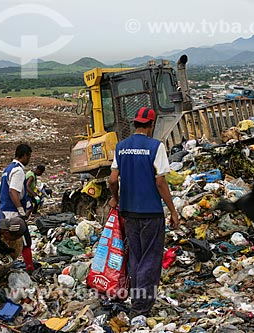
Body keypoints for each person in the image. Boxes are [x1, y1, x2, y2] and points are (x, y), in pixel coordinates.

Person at [109, 107, 180, 318]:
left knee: (136, 257)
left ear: (135, 124)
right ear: (150, 125)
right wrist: (173, 210)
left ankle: (135, 296)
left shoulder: (121, 147)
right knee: (150, 258)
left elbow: (113, 179)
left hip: (129, 211)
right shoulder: (155, 147)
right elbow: (160, 181)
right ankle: (141, 306)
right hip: (151, 212)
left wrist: (116, 198)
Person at [0, 144, 34, 272]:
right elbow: (13, 191)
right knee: (25, 240)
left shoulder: (8, 169)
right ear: (24, 155)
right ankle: (29, 267)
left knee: (7, 241)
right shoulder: (18, 170)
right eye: (28, 156)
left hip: (3, 211)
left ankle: (5, 266)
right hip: (13, 214)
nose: (29, 159)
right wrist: (21, 211)